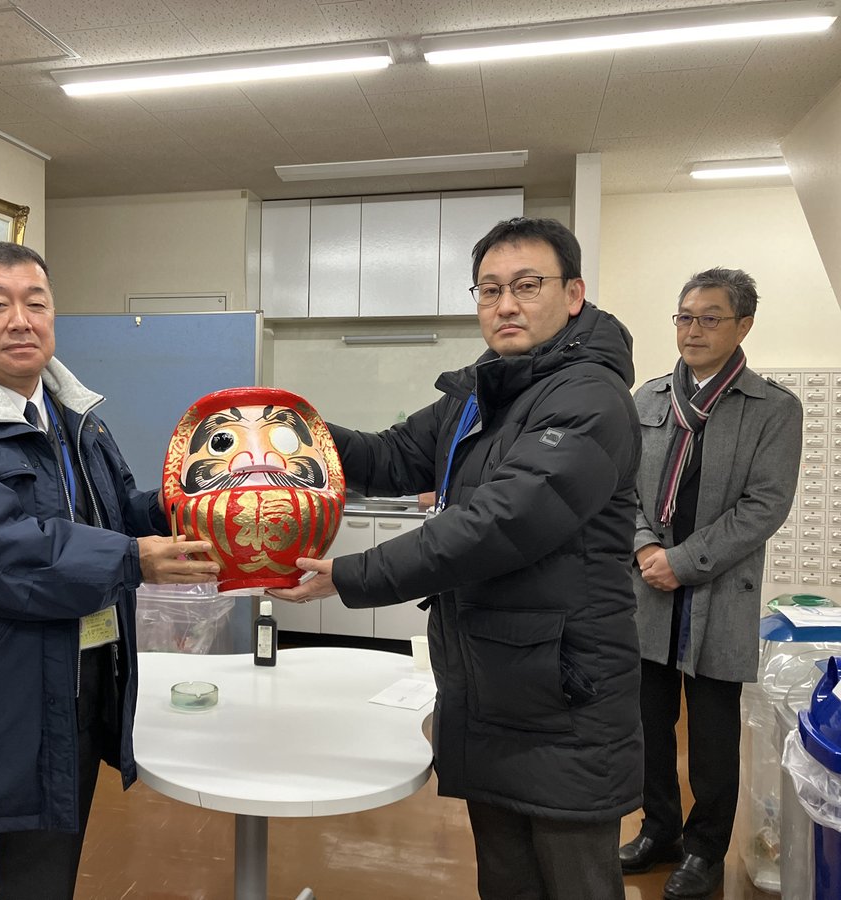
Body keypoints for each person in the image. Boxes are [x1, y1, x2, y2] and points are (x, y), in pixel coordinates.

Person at [271, 217, 643, 899]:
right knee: (505, 880)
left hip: (564, 698)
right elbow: (391, 456)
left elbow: (500, 523)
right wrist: (299, 430)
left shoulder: (590, 398)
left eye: (528, 286)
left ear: (574, 295)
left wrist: (350, 575)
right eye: (490, 289)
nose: (506, 305)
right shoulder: (482, 393)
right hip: (491, 685)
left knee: (575, 882)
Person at [0, 241, 218, 900]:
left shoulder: (74, 419)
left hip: (64, 706)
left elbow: (112, 512)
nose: (20, 320)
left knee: (42, 886)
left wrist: (183, 508)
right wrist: (131, 560)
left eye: (35, 303)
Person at [618, 267, 802, 899]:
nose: (691, 330)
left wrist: (684, 561)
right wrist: (645, 546)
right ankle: (659, 829)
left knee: (714, 734)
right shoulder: (646, 400)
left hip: (718, 591)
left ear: (743, 324)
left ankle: (704, 848)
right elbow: (623, 490)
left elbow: (764, 504)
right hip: (647, 588)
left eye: (709, 318)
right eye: (683, 317)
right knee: (647, 719)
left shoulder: (772, 408)